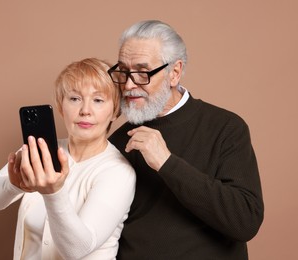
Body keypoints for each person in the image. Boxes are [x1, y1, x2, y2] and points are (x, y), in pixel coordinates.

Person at [107, 20, 264, 259]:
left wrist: (167, 163)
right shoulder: (117, 141)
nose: (129, 85)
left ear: (175, 73)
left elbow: (245, 222)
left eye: (141, 72)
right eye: (124, 72)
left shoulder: (226, 128)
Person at [0, 58, 136, 260]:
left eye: (98, 100)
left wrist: (53, 192)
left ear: (114, 111)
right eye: (75, 99)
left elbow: (77, 250)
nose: (85, 110)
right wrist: (14, 187)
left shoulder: (117, 172)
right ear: (60, 106)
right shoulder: (41, 151)